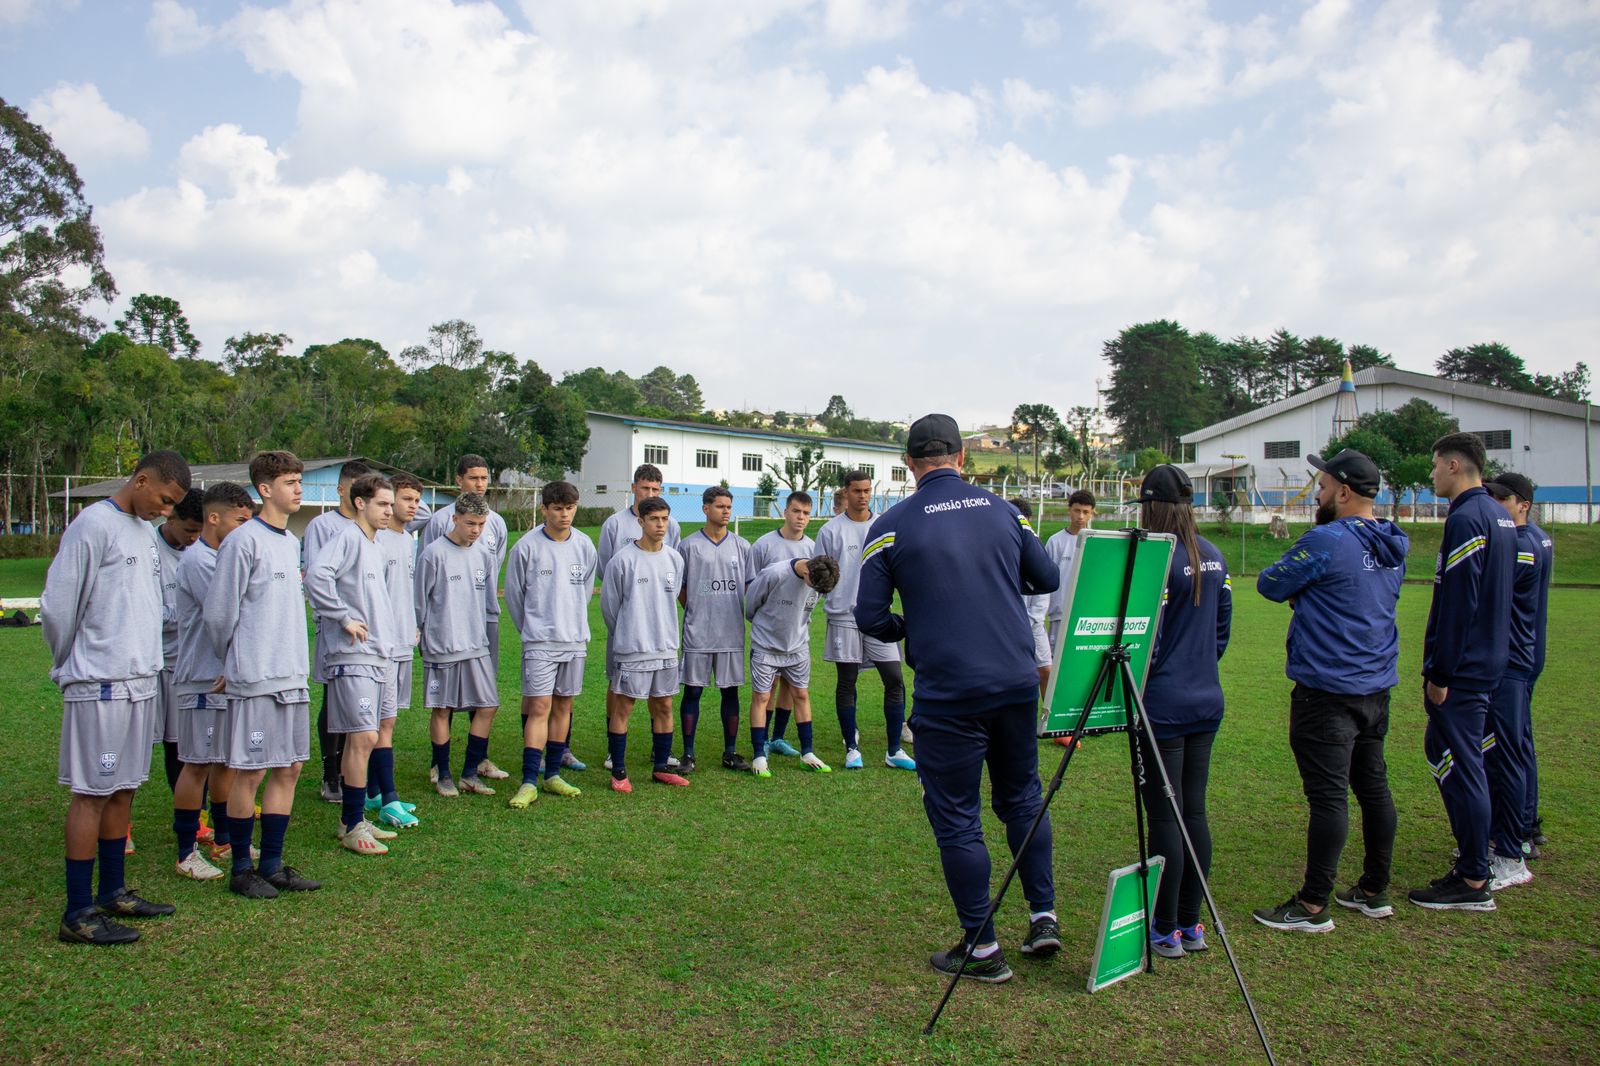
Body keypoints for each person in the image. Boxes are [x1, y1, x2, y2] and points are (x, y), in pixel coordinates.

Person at [856, 414, 1061, 984]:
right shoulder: (1007, 512)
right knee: (1023, 798)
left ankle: (982, 946)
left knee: (956, 817)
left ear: (908, 463)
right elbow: (1046, 577)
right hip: (1015, 681)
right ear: (962, 458)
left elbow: (868, 616)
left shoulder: (890, 525)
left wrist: (912, 625)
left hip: (949, 691)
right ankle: (1043, 916)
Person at [1249, 450, 1407, 932]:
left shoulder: (1327, 539)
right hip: (1375, 688)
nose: (1316, 493)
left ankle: (1314, 904)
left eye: (1321, 486)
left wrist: (1305, 592)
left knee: (1328, 798)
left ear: (1343, 491)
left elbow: (1270, 583)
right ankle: (1374, 890)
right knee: (1373, 788)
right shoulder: (1392, 541)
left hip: (1328, 689)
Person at [44, 450, 192, 945]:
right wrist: (69, 663)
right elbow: (59, 607)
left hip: (140, 681)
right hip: (100, 683)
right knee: (92, 793)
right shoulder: (93, 525)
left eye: (172, 506)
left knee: (124, 788)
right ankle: (78, 911)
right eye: (164, 500)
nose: (166, 511)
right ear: (141, 480)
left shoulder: (144, 532)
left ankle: (112, 892)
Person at [204, 450, 322, 900]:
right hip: (255, 676)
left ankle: (271, 864)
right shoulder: (242, 541)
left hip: (291, 674)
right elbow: (220, 615)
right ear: (265, 489)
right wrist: (233, 661)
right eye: (290, 482)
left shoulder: (291, 541)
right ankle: (241, 868)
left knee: (289, 768)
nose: (298, 489)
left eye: (299, 481)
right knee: (249, 772)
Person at [1409, 432, 1516, 912]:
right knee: (1445, 750)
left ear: (1454, 465)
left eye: (1435, 465)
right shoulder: (1497, 513)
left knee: (1465, 761)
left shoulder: (1468, 516)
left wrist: (1441, 672)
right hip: (1489, 659)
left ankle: (1473, 876)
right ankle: (1473, 860)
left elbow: (1459, 602)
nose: (1431, 474)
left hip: (1466, 667)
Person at [1136, 464, 1231, 960]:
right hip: (1205, 698)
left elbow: (1143, 642)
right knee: (1193, 810)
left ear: (1152, 507)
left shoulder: (1157, 558)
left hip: (1164, 706)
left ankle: (1166, 926)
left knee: (1165, 816)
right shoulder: (1213, 554)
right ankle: (1190, 924)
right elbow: (1221, 631)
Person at [304, 475, 400, 855]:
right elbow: (316, 577)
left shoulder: (375, 545)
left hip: (377, 655)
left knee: (369, 737)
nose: (389, 511)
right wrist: (343, 618)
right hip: (352, 655)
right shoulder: (346, 538)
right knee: (362, 738)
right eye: (382, 504)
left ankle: (352, 819)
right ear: (360, 503)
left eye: (391, 504)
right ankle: (352, 824)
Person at [170, 482, 256, 882]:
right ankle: (186, 851)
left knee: (224, 762)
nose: (245, 529)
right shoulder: (200, 561)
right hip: (203, 678)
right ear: (214, 517)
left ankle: (223, 839)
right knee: (197, 765)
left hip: (227, 677)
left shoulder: (224, 556)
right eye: (240, 521)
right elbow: (230, 612)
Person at [503, 480, 597, 807]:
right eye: (557, 508)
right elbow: (514, 596)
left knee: (563, 706)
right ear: (544, 509)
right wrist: (533, 629)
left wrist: (571, 622)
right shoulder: (526, 547)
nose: (564, 514)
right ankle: (529, 781)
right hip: (540, 642)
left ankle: (553, 775)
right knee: (539, 707)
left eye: (569, 508)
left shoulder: (584, 545)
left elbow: (584, 592)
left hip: (574, 640)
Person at [420, 455, 511, 781]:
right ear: (459, 480)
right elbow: (426, 585)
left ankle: (477, 764)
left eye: (484, 478)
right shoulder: (437, 528)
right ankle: (440, 766)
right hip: (445, 630)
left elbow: (490, 573)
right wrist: (423, 629)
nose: (480, 484)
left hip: (479, 626)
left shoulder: (495, 527)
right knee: (443, 703)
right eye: (473, 477)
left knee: (484, 697)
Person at [815, 470, 912, 771]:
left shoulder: (884, 525)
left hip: (879, 616)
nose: (862, 496)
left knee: (894, 679)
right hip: (843, 616)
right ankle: (852, 749)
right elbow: (819, 576)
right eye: (857, 491)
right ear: (845, 492)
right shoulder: (830, 531)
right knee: (847, 681)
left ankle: (894, 750)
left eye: (867, 490)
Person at [1482, 472, 1552, 885]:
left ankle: (1512, 841)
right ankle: (1526, 826)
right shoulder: (1538, 537)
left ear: (1522, 504)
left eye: (1501, 498)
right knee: (1519, 744)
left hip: (1512, 659)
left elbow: (1492, 595)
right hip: (1525, 654)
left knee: (1507, 749)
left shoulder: (1522, 544)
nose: (1494, 504)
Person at [597, 463, 684, 773]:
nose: (661, 525)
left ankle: (661, 761)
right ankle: (616, 760)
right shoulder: (618, 544)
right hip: (631, 641)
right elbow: (610, 602)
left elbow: (671, 592)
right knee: (623, 699)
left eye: (664, 519)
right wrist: (627, 630)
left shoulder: (675, 556)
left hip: (664, 645)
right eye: (654, 519)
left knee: (663, 702)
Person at [302, 459, 373, 804]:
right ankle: (330, 773)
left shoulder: (372, 527)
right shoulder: (323, 526)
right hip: (336, 628)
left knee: (356, 703)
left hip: (366, 630)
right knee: (334, 700)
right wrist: (336, 617)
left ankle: (350, 771)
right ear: (342, 490)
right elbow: (317, 577)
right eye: (356, 487)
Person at [677, 487, 753, 774]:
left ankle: (730, 752)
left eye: (728, 506)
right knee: (693, 691)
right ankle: (688, 754)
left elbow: (749, 587)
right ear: (705, 508)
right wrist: (697, 608)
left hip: (730, 632)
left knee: (730, 693)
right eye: (720, 506)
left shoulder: (742, 546)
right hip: (698, 632)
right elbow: (681, 589)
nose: (725, 511)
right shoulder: (688, 546)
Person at [744, 554, 840, 778]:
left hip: (798, 648)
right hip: (766, 647)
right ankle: (759, 755)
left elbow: (807, 611)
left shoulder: (820, 578)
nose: (814, 591)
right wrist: (767, 629)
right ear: (806, 572)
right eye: (814, 586)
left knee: (801, 695)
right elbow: (751, 605)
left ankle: (808, 753)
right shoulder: (775, 574)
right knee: (762, 697)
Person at [367, 471, 424, 829]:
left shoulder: (407, 539)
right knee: (382, 722)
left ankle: (374, 791)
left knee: (387, 720)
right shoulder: (377, 539)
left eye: (416, 500)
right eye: (405, 499)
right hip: (382, 645)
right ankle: (389, 800)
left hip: (404, 640)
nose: (412, 506)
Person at [747, 491, 815, 756]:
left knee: (791, 684)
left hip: (795, 633)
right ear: (785, 512)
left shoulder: (813, 549)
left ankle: (778, 737)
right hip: (769, 632)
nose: (801, 517)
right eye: (796, 511)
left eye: (806, 513)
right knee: (770, 686)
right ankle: (762, 740)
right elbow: (752, 587)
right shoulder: (764, 545)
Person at [154, 489, 205, 794]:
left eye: (199, 531)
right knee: (162, 743)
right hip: (158, 664)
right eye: (189, 530)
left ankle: (202, 812)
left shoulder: (200, 551)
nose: (194, 538)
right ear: (170, 517)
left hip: (191, 664)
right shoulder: (149, 550)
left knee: (190, 742)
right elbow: (146, 611)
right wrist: (187, 611)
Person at [1009, 499, 1054, 695]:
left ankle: (1048, 713)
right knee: (1014, 676)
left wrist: (1032, 619)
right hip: (1007, 626)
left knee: (1046, 671)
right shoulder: (999, 547)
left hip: (1033, 624)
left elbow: (1044, 586)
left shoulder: (1035, 548)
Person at [1043, 490, 1095, 652]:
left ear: (1092, 513)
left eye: (1085, 512)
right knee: (1056, 658)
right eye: (1077, 511)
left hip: (1087, 615)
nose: (1080, 516)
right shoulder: (1055, 541)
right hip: (1060, 613)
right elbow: (1046, 579)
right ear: (1069, 510)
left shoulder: (1096, 541)